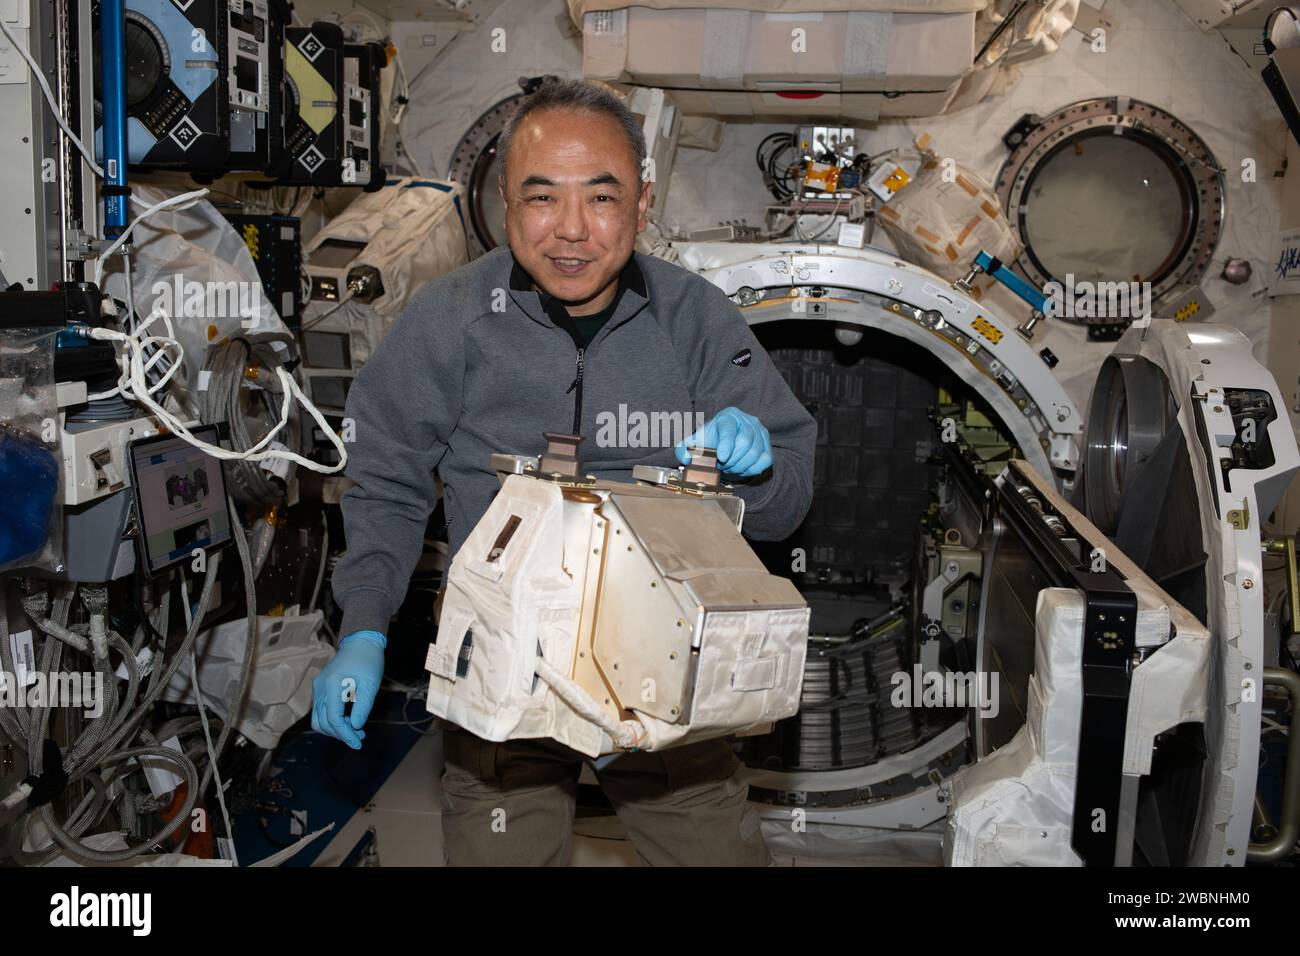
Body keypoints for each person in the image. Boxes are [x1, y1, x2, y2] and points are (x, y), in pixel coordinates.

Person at [312, 78, 816, 865]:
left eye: (603, 199)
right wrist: (365, 628)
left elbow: (786, 506)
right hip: (501, 667)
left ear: (642, 204)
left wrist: (756, 471)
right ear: (504, 204)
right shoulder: (449, 320)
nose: (572, 231)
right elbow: (388, 479)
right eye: (542, 198)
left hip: (658, 668)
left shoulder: (696, 319)